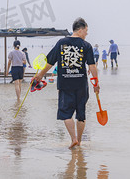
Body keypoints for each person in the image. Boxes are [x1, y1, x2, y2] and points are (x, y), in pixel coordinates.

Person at [34, 18, 99, 149]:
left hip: (65, 84)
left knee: (66, 113)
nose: (86, 34)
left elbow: (50, 62)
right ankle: (79, 141)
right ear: (80, 30)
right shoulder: (86, 46)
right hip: (81, 84)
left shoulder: (61, 43)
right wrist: (96, 83)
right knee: (81, 115)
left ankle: (73, 139)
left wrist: (39, 75)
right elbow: (92, 66)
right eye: (86, 31)